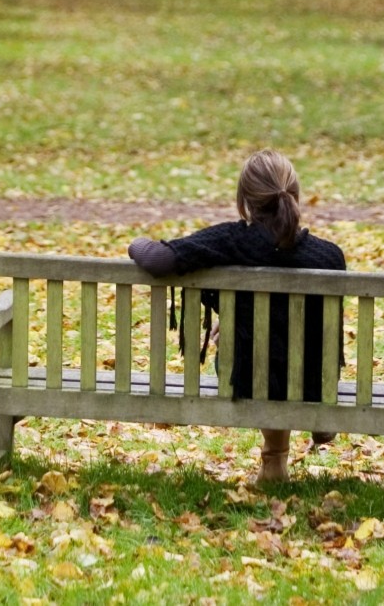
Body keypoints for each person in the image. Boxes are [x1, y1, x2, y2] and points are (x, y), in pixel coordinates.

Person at [128, 151, 345, 483]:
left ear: (246, 200)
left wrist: (136, 242)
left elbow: (157, 259)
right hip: (310, 378)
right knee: (290, 352)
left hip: (246, 373)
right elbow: (320, 326)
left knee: (263, 358)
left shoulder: (231, 241)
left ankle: (274, 462)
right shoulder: (329, 256)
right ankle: (315, 414)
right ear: (295, 195)